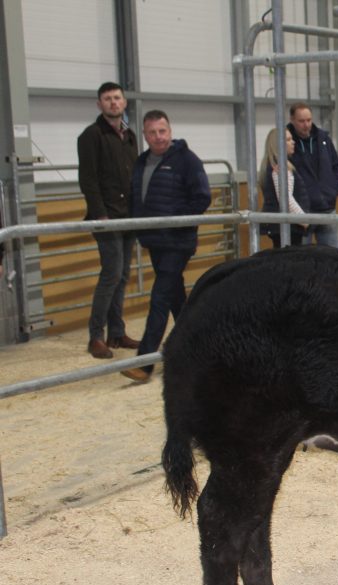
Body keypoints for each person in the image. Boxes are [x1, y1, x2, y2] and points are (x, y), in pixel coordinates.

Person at [120, 111, 211, 383]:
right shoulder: (141, 162)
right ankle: (199, 351)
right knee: (175, 300)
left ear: (170, 131)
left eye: (162, 131)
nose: (158, 137)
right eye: (152, 132)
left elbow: (202, 196)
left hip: (177, 241)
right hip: (154, 240)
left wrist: (178, 222)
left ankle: (145, 362)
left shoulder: (187, 160)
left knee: (159, 297)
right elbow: (138, 198)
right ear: (145, 135)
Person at [77, 82, 140, 359]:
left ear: (124, 102)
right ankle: (95, 336)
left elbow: (134, 175)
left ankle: (117, 332)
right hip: (106, 217)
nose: (113, 103)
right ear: (99, 104)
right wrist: (100, 214)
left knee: (122, 275)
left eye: (117, 98)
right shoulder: (90, 136)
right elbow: (88, 179)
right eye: (107, 99)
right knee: (111, 273)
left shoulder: (129, 136)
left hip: (128, 216)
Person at [286, 103, 338, 247]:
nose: (306, 125)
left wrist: (334, 189)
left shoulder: (323, 139)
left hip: (327, 207)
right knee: (303, 259)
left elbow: (336, 165)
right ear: (292, 120)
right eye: (301, 121)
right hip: (302, 212)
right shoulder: (287, 143)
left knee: (333, 256)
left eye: (309, 120)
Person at [259, 128, 309, 248]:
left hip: (282, 225)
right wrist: (305, 220)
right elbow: (285, 199)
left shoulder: (271, 165)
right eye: (288, 139)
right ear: (278, 144)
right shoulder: (280, 167)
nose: (293, 142)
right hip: (288, 226)